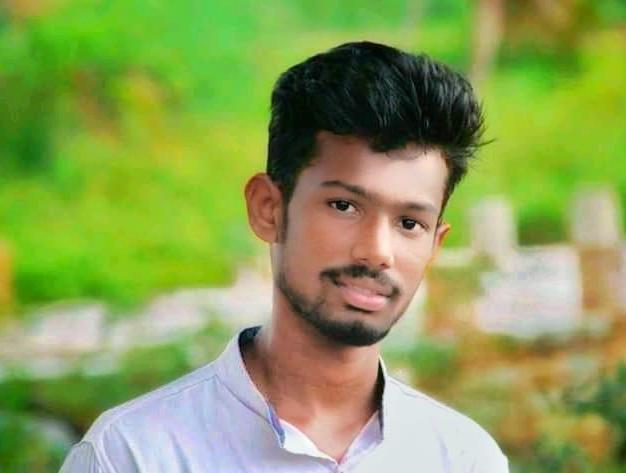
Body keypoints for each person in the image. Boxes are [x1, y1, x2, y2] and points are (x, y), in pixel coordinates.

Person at [60, 41, 508, 472]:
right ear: (268, 209)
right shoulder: (134, 455)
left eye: (409, 223)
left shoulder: (463, 459)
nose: (376, 251)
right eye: (344, 206)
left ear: (434, 246)